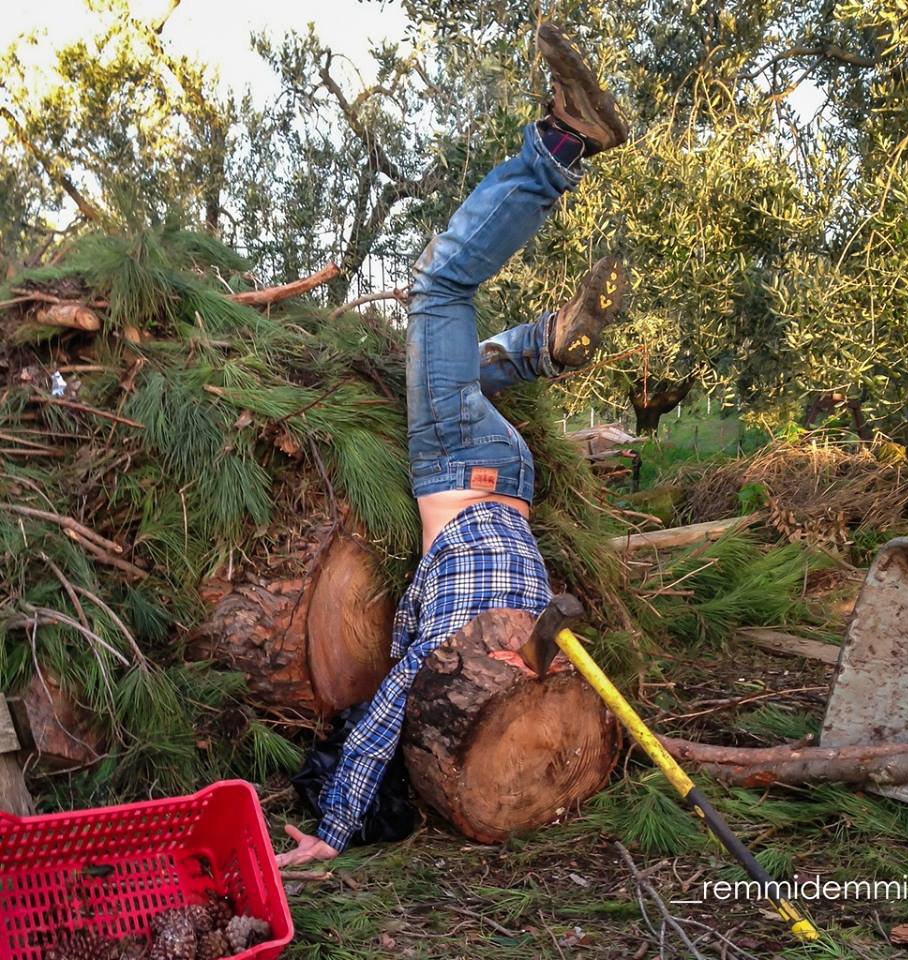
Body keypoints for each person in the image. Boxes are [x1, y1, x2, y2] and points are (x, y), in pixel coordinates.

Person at [277, 22, 628, 867]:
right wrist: (331, 830)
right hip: (458, 467)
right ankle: (560, 152)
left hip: (508, 478)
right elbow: (371, 735)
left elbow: (390, 723)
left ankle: (544, 328)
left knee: (446, 339)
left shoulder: (539, 630)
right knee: (440, 290)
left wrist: (332, 835)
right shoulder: (451, 650)